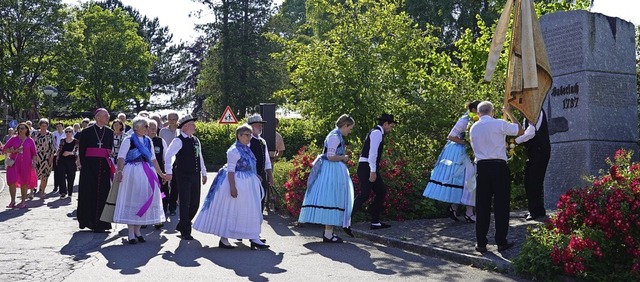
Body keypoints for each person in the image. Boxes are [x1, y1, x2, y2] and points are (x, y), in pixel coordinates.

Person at [193, 124, 270, 250]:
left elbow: (248, 165)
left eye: (250, 135)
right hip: (237, 182)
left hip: (248, 183)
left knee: (250, 210)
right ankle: (224, 238)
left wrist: (255, 175)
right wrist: (232, 187)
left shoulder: (247, 148)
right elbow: (231, 171)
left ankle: (254, 237)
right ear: (239, 136)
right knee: (231, 210)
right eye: (246, 135)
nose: (249, 137)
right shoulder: (234, 150)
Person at [469, 101, 523, 253]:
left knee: (482, 206)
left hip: (482, 167)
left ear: (478, 114)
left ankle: (481, 242)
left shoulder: (473, 128)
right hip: (498, 166)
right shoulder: (499, 123)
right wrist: (509, 113)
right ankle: (501, 241)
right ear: (492, 112)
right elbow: (520, 131)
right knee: (501, 205)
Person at [299, 114, 356, 243]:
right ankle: (328, 233)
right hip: (330, 169)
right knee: (331, 199)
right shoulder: (334, 137)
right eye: (350, 128)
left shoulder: (336, 136)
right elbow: (330, 156)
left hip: (332, 169)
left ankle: (329, 232)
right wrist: (343, 157)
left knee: (332, 199)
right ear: (345, 125)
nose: (350, 131)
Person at [423, 101, 481, 223]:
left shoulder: (477, 120)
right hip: (460, 153)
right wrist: (467, 143)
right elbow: (451, 136)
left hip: (469, 152)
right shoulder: (465, 119)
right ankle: (468, 212)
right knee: (468, 179)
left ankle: (456, 208)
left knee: (467, 180)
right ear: (475, 109)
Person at [113, 117, 166, 244]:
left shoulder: (148, 141)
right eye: (145, 126)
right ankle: (131, 233)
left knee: (142, 201)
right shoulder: (128, 139)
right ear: (136, 128)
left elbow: (153, 159)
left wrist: (161, 174)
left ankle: (138, 231)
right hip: (132, 172)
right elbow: (121, 157)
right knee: (132, 200)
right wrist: (119, 171)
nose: (148, 129)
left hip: (147, 172)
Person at [164, 114, 207, 240]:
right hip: (183, 175)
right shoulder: (178, 140)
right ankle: (185, 231)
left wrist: (204, 172)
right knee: (185, 202)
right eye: (192, 125)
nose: (194, 126)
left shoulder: (195, 140)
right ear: (185, 127)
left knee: (195, 203)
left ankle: (183, 223)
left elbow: (200, 157)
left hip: (195, 174)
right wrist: (169, 172)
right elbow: (168, 156)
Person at [351, 113, 396, 230]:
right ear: (385, 124)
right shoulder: (377, 133)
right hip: (367, 166)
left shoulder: (378, 132)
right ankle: (346, 220)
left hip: (367, 166)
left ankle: (375, 222)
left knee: (380, 192)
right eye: (391, 126)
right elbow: (372, 154)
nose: (391, 129)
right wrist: (373, 170)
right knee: (364, 195)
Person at [77, 108, 115, 233]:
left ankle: (102, 223)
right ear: (98, 117)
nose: (107, 118)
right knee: (89, 192)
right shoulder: (86, 132)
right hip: (89, 167)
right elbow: (82, 151)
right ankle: (88, 221)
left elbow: (109, 150)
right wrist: (84, 165)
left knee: (103, 193)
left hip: (103, 167)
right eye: (105, 116)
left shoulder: (109, 132)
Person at [515, 109, 550, 221]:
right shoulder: (531, 113)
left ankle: (535, 211)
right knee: (532, 181)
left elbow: (531, 132)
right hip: (536, 151)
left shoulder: (535, 111)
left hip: (539, 151)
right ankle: (536, 209)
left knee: (533, 181)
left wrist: (517, 141)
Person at [3, 123, 37, 209]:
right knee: (11, 181)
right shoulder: (13, 139)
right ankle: (12, 201)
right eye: (19, 128)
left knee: (24, 183)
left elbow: (34, 153)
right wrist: (14, 150)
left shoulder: (30, 140)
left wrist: (34, 163)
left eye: (22, 128)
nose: (20, 130)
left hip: (26, 164)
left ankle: (23, 201)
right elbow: (5, 148)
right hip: (14, 164)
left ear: (27, 130)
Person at [246, 114, 273, 212]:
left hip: (262, 175)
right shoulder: (247, 141)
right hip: (249, 175)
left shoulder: (262, 141)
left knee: (261, 199)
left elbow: (267, 161)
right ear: (251, 126)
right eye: (258, 125)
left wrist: (270, 175)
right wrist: (253, 174)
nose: (260, 127)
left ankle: (258, 221)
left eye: (261, 125)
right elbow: (244, 160)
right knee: (251, 201)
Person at [147, 120, 169, 229]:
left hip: (159, 174)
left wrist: (165, 173)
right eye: (150, 127)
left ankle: (160, 218)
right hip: (145, 174)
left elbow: (166, 158)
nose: (153, 130)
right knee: (145, 196)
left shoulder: (161, 141)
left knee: (162, 195)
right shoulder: (142, 142)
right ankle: (143, 219)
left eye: (154, 127)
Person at [159, 111, 180, 216]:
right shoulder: (163, 131)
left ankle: (172, 206)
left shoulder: (180, 131)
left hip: (177, 161)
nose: (172, 121)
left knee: (175, 184)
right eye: (170, 119)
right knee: (163, 184)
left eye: (174, 119)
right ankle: (163, 203)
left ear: (177, 120)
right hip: (165, 160)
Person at [34, 118, 57, 198]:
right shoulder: (35, 134)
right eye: (42, 125)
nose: (43, 127)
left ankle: (42, 191)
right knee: (35, 174)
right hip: (37, 156)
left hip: (47, 157)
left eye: (45, 126)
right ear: (39, 126)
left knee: (45, 175)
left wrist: (51, 158)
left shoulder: (51, 135)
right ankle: (32, 189)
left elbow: (53, 148)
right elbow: (32, 145)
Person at [56, 126, 79, 198]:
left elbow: (77, 152)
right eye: (66, 132)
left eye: (70, 132)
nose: (68, 133)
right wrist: (57, 158)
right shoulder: (62, 140)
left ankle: (70, 192)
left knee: (71, 177)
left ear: (72, 133)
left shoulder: (76, 141)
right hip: (62, 160)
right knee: (61, 176)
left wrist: (69, 153)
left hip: (71, 161)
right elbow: (59, 149)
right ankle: (62, 192)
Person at [52, 122, 65, 193]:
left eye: (60, 126)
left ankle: (62, 186)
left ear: (62, 127)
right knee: (56, 171)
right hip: (56, 154)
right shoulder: (54, 134)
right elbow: (52, 143)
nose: (59, 128)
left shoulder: (66, 133)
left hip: (63, 154)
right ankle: (55, 186)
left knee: (62, 171)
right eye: (57, 126)